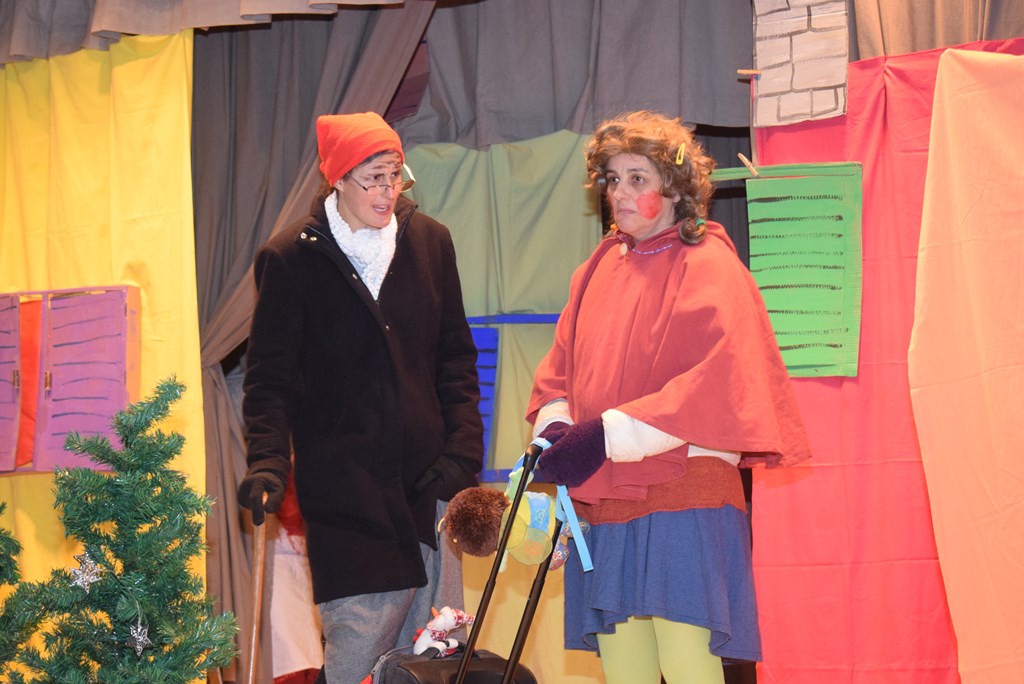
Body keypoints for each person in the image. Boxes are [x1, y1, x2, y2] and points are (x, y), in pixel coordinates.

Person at [526, 110, 811, 684]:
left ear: (677, 189)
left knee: (688, 667)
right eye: (612, 178)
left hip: (685, 494)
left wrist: (605, 435)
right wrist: (557, 428)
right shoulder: (594, 270)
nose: (619, 192)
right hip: (608, 496)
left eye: (638, 178)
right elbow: (558, 374)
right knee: (625, 671)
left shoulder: (710, 265)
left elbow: (718, 381)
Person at [237, 112, 484, 684]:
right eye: (373, 178)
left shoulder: (430, 242)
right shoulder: (290, 259)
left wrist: (461, 456)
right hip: (345, 489)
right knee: (358, 645)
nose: (388, 191)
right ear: (338, 179)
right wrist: (267, 462)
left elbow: (455, 359)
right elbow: (269, 381)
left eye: (396, 175)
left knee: (435, 651)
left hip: (430, 482)